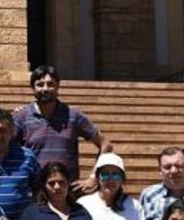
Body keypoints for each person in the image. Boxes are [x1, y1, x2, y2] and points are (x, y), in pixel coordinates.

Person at [13, 65, 113, 194]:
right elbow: (5, 146)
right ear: (32, 88)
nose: (45, 89)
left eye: (50, 84)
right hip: (36, 193)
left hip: (68, 194)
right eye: (40, 84)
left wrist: (93, 178)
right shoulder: (22, 116)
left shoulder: (73, 115)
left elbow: (106, 144)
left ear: (57, 86)